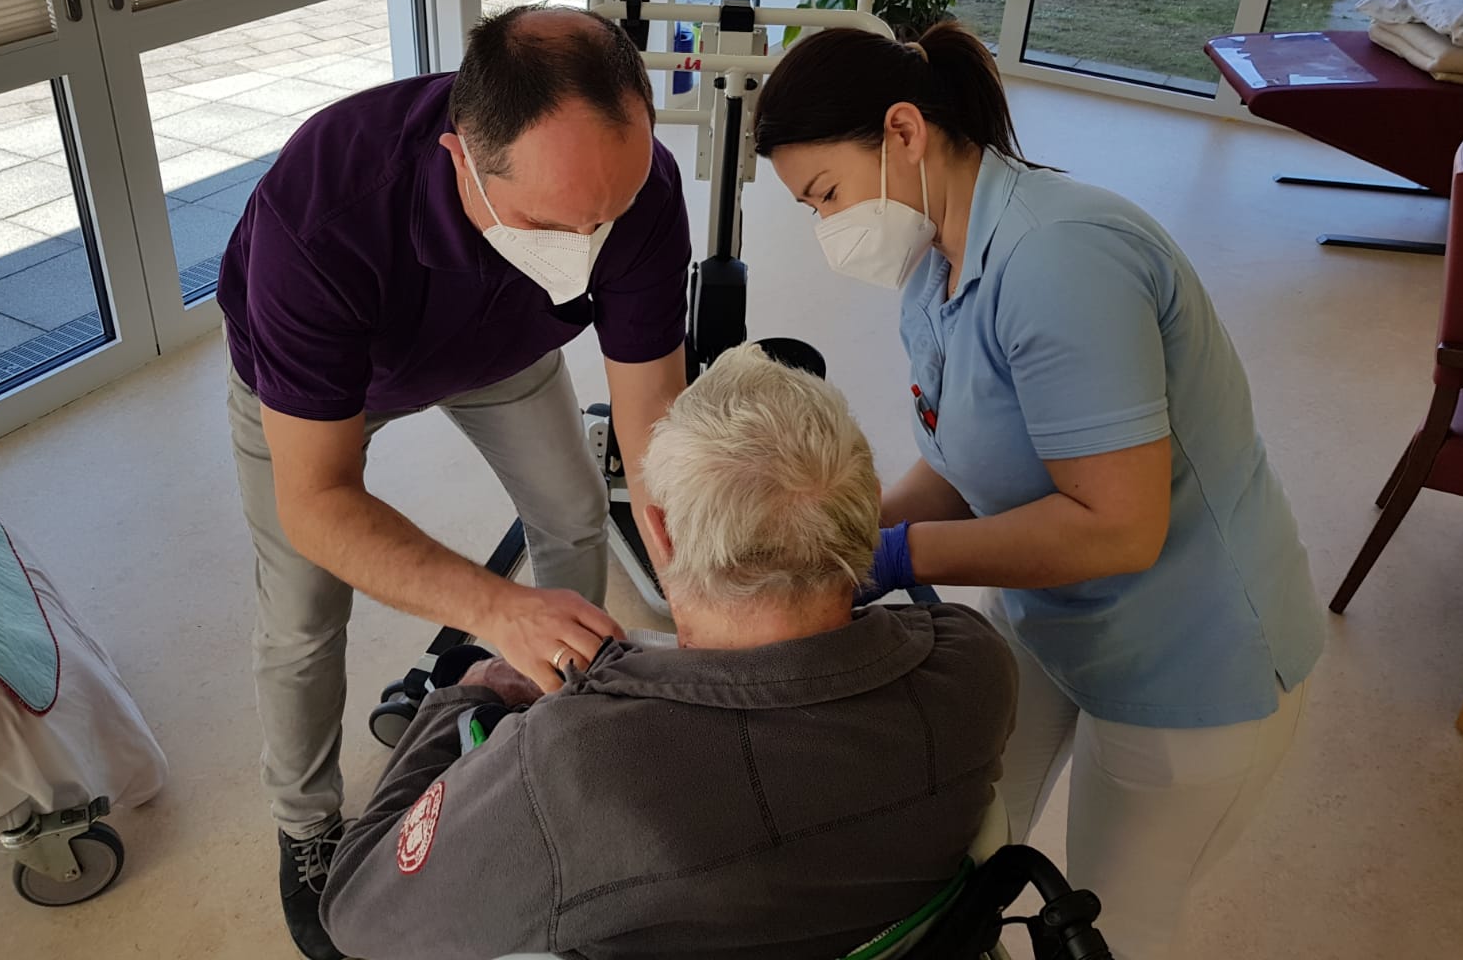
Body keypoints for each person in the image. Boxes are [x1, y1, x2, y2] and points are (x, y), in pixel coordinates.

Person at [753, 24, 1326, 960]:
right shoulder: (935, 266)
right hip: (1049, 610)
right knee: (959, 847)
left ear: (904, 133)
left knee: (1107, 923)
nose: (829, 229)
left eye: (826, 195)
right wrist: (845, 535)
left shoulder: (1062, 261)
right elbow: (963, 463)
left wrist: (896, 557)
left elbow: (1118, 528)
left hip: (1190, 656)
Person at [216, 6, 692, 960]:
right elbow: (319, 502)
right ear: (460, 155)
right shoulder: (324, 211)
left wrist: (702, 599)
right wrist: (499, 608)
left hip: (506, 355)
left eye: (613, 214)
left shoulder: (634, 187)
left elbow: (654, 440)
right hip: (315, 389)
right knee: (305, 612)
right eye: (558, 223)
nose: (595, 241)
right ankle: (306, 825)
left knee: (573, 514)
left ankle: (554, 708)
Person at [320, 343, 1017, 960]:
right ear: (867, 518)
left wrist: (465, 697)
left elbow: (358, 917)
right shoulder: (970, 667)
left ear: (659, 531)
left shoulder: (575, 768)